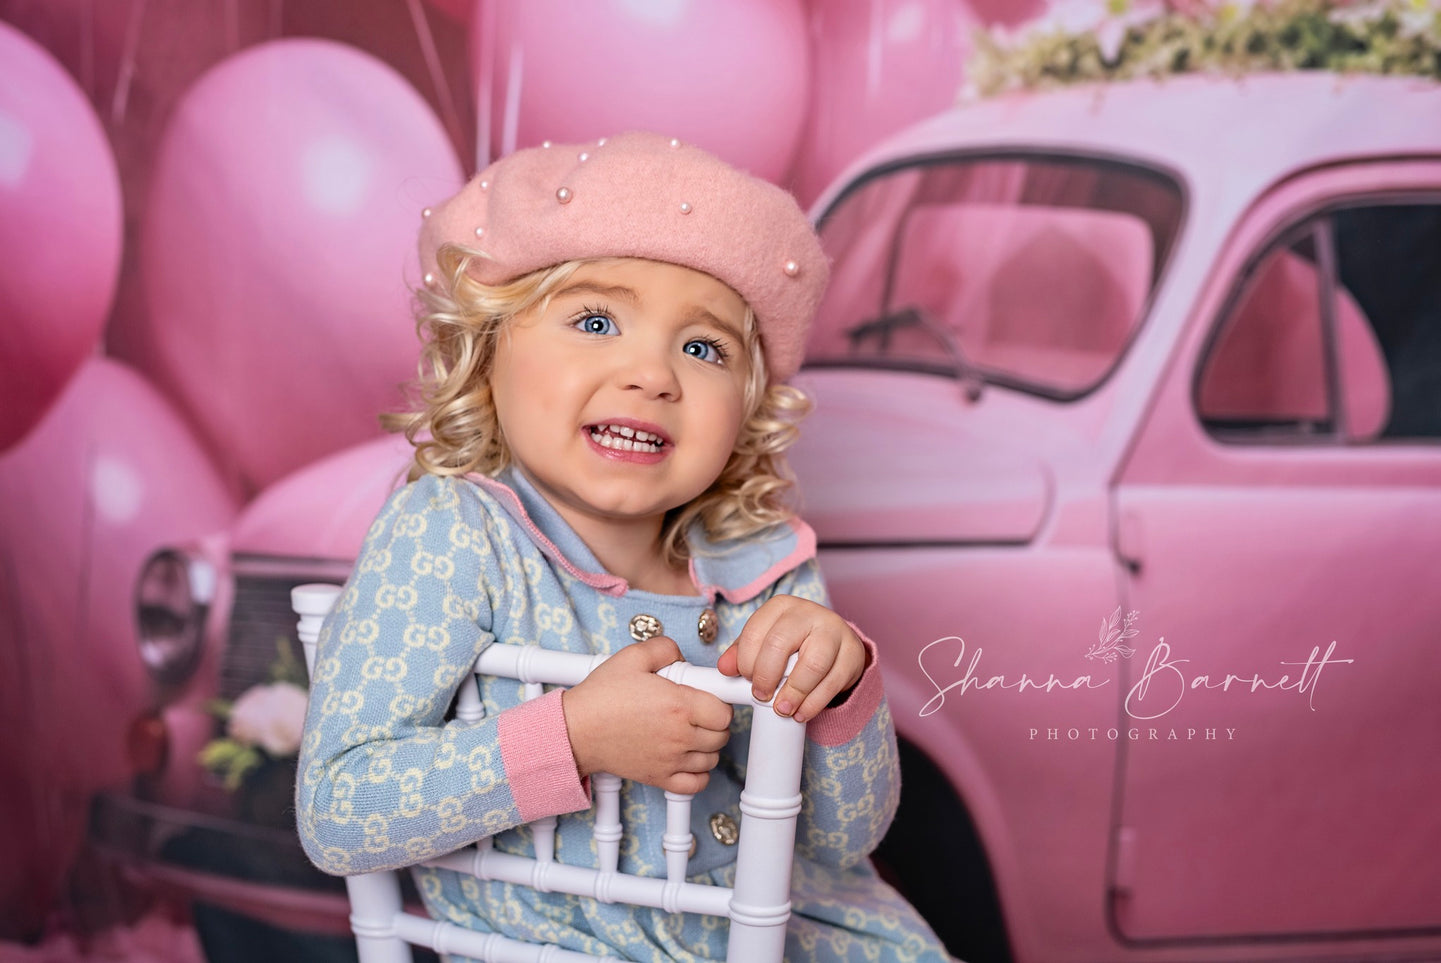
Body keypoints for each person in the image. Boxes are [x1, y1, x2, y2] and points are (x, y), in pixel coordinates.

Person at [296, 131, 951, 962]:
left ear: (744, 405)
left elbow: (841, 840)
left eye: (703, 346)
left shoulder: (757, 559)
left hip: (798, 935)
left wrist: (839, 680)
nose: (654, 374)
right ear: (487, 350)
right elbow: (338, 809)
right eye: (596, 320)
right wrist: (572, 733)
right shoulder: (453, 532)